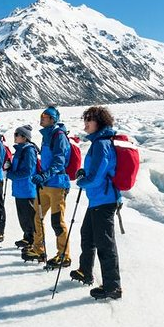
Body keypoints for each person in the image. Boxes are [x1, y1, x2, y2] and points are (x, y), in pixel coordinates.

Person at [71, 105, 123, 300]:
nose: (85, 124)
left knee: (105, 244)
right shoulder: (99, 143)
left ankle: (113, 287)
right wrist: (85, 174)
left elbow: (97, 176)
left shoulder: (101, 144)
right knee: (88, 235)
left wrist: (82, 180)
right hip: (98, 199)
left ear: (98, 123)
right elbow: (95, 171)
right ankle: (85, 271)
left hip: (104, 199)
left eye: (88, 120)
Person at [23, 106, 72, 268]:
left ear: (53, 119)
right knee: (36, 217)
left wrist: (44, 175)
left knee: (57, 221)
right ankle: (39, 249)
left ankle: (63, 255)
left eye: (45, 116)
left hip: (57, 185)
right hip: (45, 185)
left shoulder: (58, 136)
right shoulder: (46, 136)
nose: (41, 117)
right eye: (42, 115)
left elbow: (59, 161)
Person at [6, 124, 38, 249]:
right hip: (20, 189)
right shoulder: (20, 150)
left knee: (29, 216)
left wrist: (11, 174)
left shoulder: (29, 150)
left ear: (24, 137)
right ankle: (27, 237)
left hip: (27, 189)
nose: (15, 136)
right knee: (23, 216)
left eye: (17, 134)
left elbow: (28, 171)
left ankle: (33, 240)